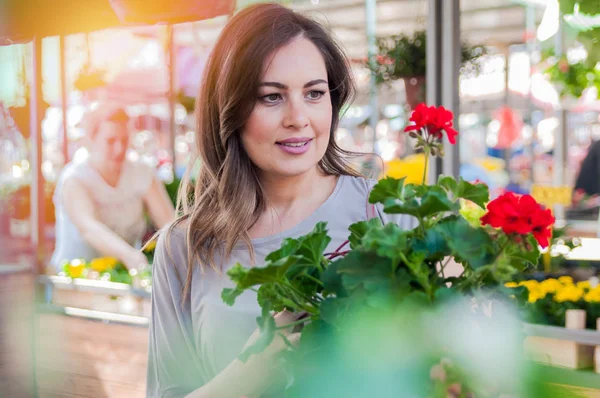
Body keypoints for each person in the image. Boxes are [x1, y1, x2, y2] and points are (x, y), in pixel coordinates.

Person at [147, 4, 414, 397]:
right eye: (271, 97)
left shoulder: (388, 215)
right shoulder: (182, 247)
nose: (298, 117)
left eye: (314, 93)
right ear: (230, 109)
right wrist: (255, 367)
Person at [50, 104, 175, 273]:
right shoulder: (75, 178)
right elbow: (88, 227)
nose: (119, 149)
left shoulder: (142, 172)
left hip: (123, 276)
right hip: (75, 281)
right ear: (91, 140)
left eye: (124, 140)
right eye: (110, 141)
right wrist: (130, 256)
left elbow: (170, 224)